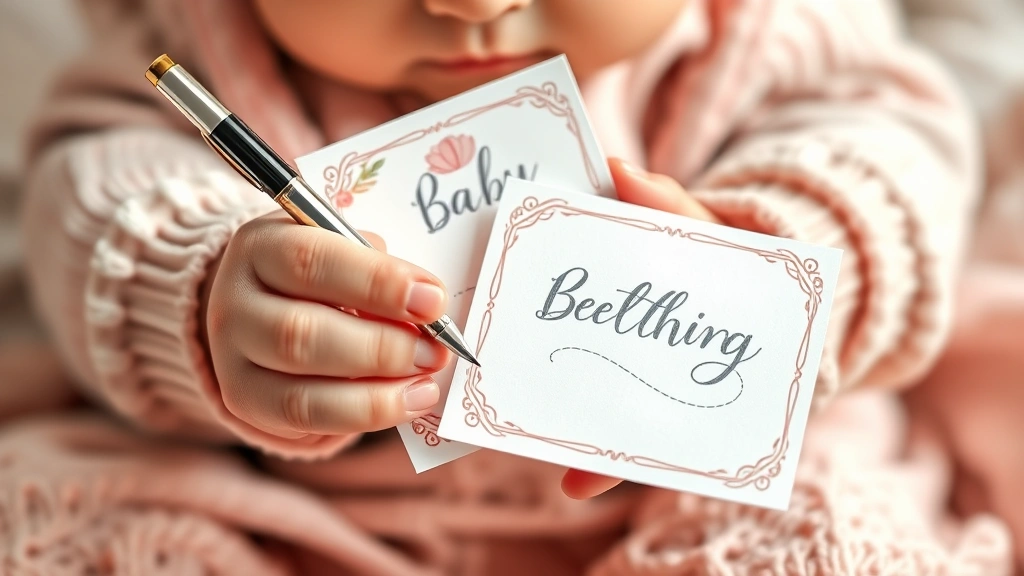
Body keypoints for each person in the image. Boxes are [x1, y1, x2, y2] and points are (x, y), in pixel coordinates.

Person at [6, 0, 1011, 573]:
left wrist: (768, 264)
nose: (473, 4)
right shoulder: (198, 46)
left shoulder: (760, 35)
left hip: (702, 498)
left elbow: (884, 160)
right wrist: (203, 295)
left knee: (827, 540)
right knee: (88, 534)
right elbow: (98, 198)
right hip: (309, 521)